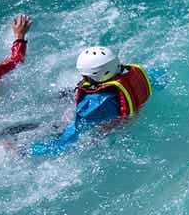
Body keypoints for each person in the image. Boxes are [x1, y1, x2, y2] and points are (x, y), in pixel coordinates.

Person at [27, 46, 162, 156]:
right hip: (131, 110)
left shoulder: (95, 105)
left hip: (109, 125)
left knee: (61, 125)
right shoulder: (135, 73)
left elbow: (67, 141)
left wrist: (28, 150)